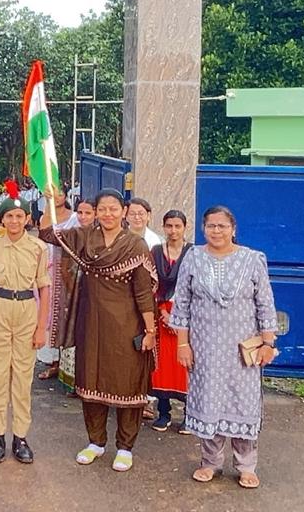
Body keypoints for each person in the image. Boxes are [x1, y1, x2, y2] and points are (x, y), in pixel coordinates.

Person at [39, 189, 156, 473]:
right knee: (91, 379)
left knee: (127, 383)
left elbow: (143, 292)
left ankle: (125, 447)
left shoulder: (136, 245)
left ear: (124, 211)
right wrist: (49, 201)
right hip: (90, 322)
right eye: (102, 209)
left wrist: (150, 330)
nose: (107, 214)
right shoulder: (84, 236)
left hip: (127, 325)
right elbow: (46, 234)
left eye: (113, 209)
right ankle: (96, 442)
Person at [171, 206, 278, 490]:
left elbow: (265, 304)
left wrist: (268, 342)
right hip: (204, 348)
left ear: (234, 229)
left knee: (242, 404)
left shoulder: (252, 260)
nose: (216, 231)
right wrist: (183, 344)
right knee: (208, 403)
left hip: (241, 351)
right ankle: (210, 463)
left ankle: (246, 466)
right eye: (211, 226)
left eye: (222, 226)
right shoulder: (193, 258)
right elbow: (182, 304)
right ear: (203, 228)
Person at [0, 184, 50, 464]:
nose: (14, 221)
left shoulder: (39, 248)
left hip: (26, 308)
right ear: (1, 219)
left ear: (27, 219)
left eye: (19, 216)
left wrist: (42, 327)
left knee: (23, 376)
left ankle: (21, 437)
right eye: (9, 216)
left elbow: (44, 288)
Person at [38, 194, 90, 382]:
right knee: (63, 323)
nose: (83, 217)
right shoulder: (73, 234)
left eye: (88, 213)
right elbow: (46, 234)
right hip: (68, 284)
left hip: (96, 290)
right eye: (81, 212)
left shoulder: (104, 235)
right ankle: (60, 368)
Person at [150, 210, 193, 432]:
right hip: (161, 314)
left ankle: (190, 414)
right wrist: (161, 312)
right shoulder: (156, 251)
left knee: (185, 365)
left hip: (187, 316)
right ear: (163, 227)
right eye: (169, 226)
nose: (173, 231)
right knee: (162, 365)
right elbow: (150, 282)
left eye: (177, 226)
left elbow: (196, 286)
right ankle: (163, 412)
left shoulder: (194, 252)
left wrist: (179, 318)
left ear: (185, 227)